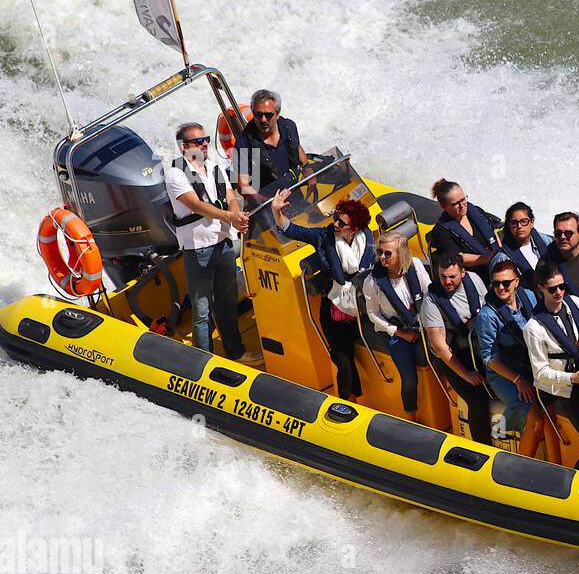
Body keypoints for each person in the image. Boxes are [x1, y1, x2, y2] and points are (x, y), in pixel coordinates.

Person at [164, 122, 257, 363]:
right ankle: (203, 359)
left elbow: (229, 197)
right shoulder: (175, 173)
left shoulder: (214, 167)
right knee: (202, 308)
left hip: (223, 242)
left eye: (205, 139)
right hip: (198, 248)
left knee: (226, 303)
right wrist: (229, 216)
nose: (205, 144)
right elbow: (194, 204)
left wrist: (236, 216)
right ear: (185, 147)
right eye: (198, 141)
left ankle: (235, 352)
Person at [271, 188, 373, 400]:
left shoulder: (366, 241)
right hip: (334, 308)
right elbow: (292, 230)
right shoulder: (323, 236)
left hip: (364, 306)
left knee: (356, 354)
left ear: (354, 229)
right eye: (335, 218)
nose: (335, 224)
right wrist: (276, 211)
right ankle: (348, 401)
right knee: (343, 360)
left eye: (341, 223)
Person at [523, 261, 579, 472]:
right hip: (567, 390)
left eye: (562, 286)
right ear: (541, 288)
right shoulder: (534, 328)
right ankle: (571, 481)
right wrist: (572, 378)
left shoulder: (575, 303)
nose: (559, 292)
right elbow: (540, 374)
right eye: (553, 289)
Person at [420, 251, 493, 443]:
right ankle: (482, 447)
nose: (447, 281)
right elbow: (440, 346)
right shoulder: (430, 302)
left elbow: (488, 310)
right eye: (443, 277)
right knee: (477, 401)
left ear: (463, 273)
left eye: (452, 276)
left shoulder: (475, 280)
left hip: (477, 344)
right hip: (454, 356)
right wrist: (467, 375)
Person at [474, 259, 542, 451]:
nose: (501, 288)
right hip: (505, 373)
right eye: (496, 284)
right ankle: (524, 464)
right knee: (534, 415)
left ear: (516, 282)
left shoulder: (529, 296)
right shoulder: (487, 316)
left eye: (506, 283)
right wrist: (518, 380)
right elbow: (489, 358)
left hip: (532, 364)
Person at [362, 233, 431, 418]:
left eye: (387, 253)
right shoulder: (372, 282)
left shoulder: (415, 266)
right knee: (409, 378)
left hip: (423, 321)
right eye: (379, 252)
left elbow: (429, 293)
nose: (382, 257)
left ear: (401, 254)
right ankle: (411, 417)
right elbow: (373, 314)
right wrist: (401, 333)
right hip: (397, 330)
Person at [233, 89, 308, 198]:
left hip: (294, 193)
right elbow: (242, 186)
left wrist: (309, 170)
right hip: (268, 203)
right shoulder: (244, 144)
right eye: (258, 115)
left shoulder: (289, 127)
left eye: (268, 115)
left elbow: (299, 151)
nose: (263, 120)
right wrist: (268, 203)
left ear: (277, 114)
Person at [430, 178, 500, 281]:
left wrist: (500, 252)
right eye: (455, 204)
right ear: (443, 206)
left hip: (496, 265)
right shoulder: (441, 231)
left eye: (463, 199)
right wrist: (487, 258)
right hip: (475, 276)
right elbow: (458, 257)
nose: (462, 206)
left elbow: (493, 233)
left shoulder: (476, 211)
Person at [490, 201, 552, 286]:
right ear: (508, 225)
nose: (519, 226)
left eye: (524, 221)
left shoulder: (546, 241)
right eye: (514, 223)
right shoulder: (502, 258)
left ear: (532, 222)